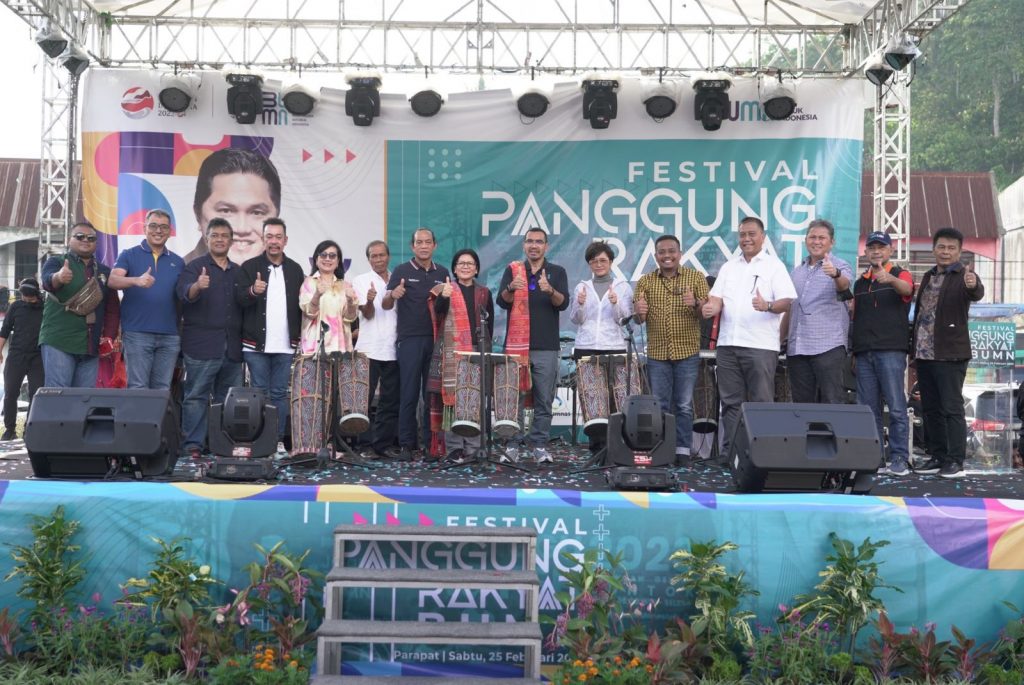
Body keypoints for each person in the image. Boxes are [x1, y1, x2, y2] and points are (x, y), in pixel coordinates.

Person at [701, 216, 797, 460]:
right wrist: (710, 307)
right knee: (730, 403)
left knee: (761, 402)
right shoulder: (728, 267)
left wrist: (768, 306)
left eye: (751, 234)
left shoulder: (774, 266)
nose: (746, 239)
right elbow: (716, 299)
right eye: (742, 234)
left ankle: (762, 455)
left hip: (760, 346)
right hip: (727, 345)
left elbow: (787, 302)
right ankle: (731, 455)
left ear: (762, 237)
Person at [911, 226, 984, 479]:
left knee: (951, 408)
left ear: (959, 252)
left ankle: (955, 460)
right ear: (933, 249)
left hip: (950, 353)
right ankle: (938, 455)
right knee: (930, 408)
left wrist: (973, 284)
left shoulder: (964, 275)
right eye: (941, 247)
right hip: (924, 354)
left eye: (951, 248)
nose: (945, 251)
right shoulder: (929, 275)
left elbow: (976, 291)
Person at [497, 227, 570, 464]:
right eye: (530, 241)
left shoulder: (556, 272)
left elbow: (563, 303)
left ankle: (539, 445)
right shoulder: (513, 270)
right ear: (524, 245)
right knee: (514, 399)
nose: (534, 245)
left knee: (544, 399)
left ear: (546, 246)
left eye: (539, 242)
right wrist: (511, 287)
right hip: (517, 347)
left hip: (546, 346)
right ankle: (513, 444)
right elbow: (502, 301)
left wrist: (550, 290)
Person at [632, 235, 708, 464]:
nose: (667, 256)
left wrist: (695, 303)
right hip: (657, 353)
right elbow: (638, 320)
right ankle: (662, 449)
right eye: (662, 252)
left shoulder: (696, 277)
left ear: (680, 253)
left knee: (684, 405)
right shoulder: (645, 281)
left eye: (671, 251)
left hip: (687, 351)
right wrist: (639, 312)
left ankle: (683, 450)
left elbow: (705, 314)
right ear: (656, 256)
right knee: (660, 405)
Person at [176, 218, 244, 460]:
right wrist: (197, 286)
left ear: (231, 241)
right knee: (196, 397)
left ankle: (223, 444)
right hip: (201, 346)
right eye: (214, 235)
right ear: (206, 239)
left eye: (224, 236)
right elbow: (183, 294)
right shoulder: (194, 267)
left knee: (229, 400)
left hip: (232, 348)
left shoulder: (238, 271)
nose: (219, 240)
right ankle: (193, 446)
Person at [235, 218, 305, 449]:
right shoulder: (249, 267)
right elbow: (239, 300)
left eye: (278, 237)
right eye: (269, 237)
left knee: (279, 394)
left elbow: (303, 305)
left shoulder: (295, 269)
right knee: (260, 394)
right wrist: (252, 291)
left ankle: (277, 441)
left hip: (285, 345)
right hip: (255, 345)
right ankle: (260, 441)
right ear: (263, 239)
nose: (274, 241)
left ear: (285, 240)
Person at [383, 228, 450, 461]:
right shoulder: (402, 271)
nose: (423, 246)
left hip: (436, 340)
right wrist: (393, 294)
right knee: (409, 394)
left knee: (432, 396)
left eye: (427, 242)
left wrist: (447, 296)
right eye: (419, 242)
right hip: (409, 339)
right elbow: (385, 304)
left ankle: (432, 446)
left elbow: (447, 308)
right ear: (412, 247)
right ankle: (406, 445)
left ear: (434, 245)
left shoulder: (443, 272)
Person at [851, 231, 915, 476]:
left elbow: (907, 289)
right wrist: (855, 352)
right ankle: (874, 458)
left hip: (890, 351)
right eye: (872, 248)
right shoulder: (860, 282)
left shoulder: (900, 273)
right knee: (868, 410)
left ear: (890, 250)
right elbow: (856, 318)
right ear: (866, 252)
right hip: (864, 352)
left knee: (896, 407)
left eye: (881, 247)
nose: (876, 251)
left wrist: (890, 279)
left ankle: (899, 458)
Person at [431, 249, 495, 462]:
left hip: (477, 349)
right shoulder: (447, 289)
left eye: (470, 263)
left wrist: (484, 349)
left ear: (476, 269)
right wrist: (444, 296)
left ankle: (475, 447)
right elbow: (438, 313)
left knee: (474, 399)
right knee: (453, 400)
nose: (466, 266)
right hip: (452, 351)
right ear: (455, 269)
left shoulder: (484, 292)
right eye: (461, 263)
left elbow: (489, 324)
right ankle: (455, 447)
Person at [109, 209, 185, 390]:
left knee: (163, 388)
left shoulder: (178, 262)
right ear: (144, 228)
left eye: (163, 227)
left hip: (170, 335)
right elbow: (112, 280)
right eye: (153, 226)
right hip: (137, 333)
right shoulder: (129, 254)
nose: (158, 230)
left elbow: (184, 295)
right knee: (138, 387)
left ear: (170, 231)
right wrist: (136, 280)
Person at [39, 221, 120, 388]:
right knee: (58, 395)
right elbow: (47, 282)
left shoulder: (104, 271)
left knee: (84, 399)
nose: (85, 240)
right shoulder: (56, 262)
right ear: (70, 239)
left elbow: (112, 309)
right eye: (80, 236)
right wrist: (58, 277)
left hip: (90, 346)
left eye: (91, 238)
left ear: (96, 243)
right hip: (59, 341)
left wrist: (109, 337)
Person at [784, 219, 854, 404]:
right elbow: (790, 308)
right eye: (812, 237)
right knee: (802, 404)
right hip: (797, 348)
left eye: (822, 238)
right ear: (806, 240)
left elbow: (844, 286)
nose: (816, 241)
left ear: (832, 242)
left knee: (832, 401)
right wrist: (781, 339)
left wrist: (835, 274)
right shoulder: (796, 272)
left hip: (828, 346)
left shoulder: (841, 266)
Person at [185, 148, 282, 265]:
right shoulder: (176, 274)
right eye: (226, 211)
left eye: (257, 212)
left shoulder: (293, 276)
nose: (241, 229)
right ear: (198, 215)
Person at [352, 240, 399, 458]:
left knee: (389, 400)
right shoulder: (361, 280)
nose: (378, 259)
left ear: (388, 256)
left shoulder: (397, 279)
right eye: (374, 256)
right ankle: (364, 445)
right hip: (368, 348)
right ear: (368, 259)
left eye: (382, 255)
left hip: (394, 348)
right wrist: (370, 301)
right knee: (364, 399)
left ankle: (383, 445)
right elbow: (368, 314)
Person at [0, 278, 44, 440]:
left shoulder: (45, 307)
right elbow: (5, 330)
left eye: (29, 296)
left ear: (36, 294)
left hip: (37, 357)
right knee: (11, 392)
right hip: (16, 355)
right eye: (24, 296)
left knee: (36, 394)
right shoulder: (16, 306)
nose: (26, 299)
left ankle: (29, 429)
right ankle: (9, 430)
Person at [298, 240, 358, 355]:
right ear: (316, 260)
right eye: (323, 255)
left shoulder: (345, 286)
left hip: (341, 348)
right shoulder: (309, 283)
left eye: (332, 256)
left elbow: (350, 318)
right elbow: (309, 313)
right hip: (315, 349)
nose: (327, 259)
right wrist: (317, 295)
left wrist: (351, 301)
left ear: (338, 261)